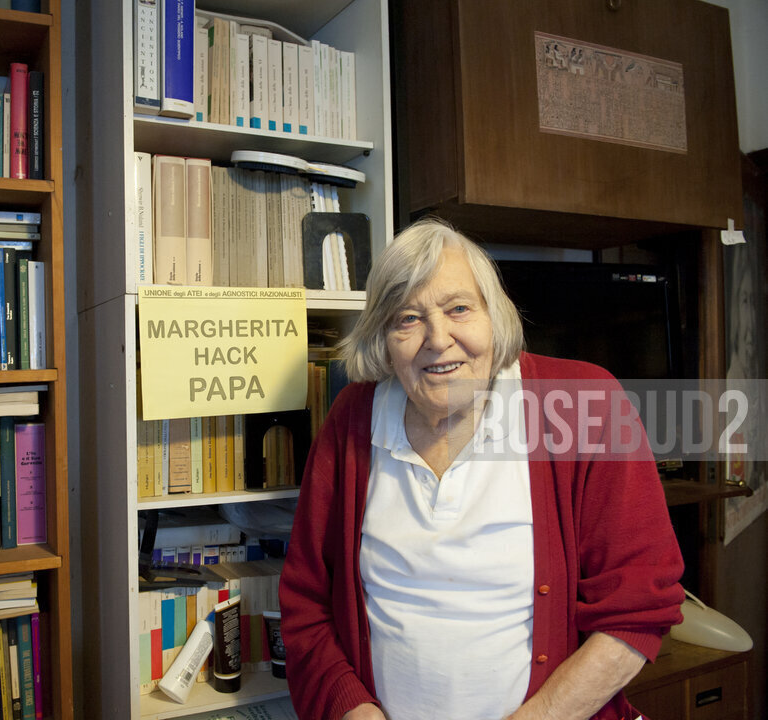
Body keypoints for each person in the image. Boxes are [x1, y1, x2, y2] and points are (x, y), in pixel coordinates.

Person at [279, 219, 685, 720]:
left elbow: (639, 608)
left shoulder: (586, 405)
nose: (437, 339)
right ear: (383, 338)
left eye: (459, 309)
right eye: (407, 318)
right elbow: (307, 604)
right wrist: (354, 712)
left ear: (496, 316)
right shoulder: (352, 418)